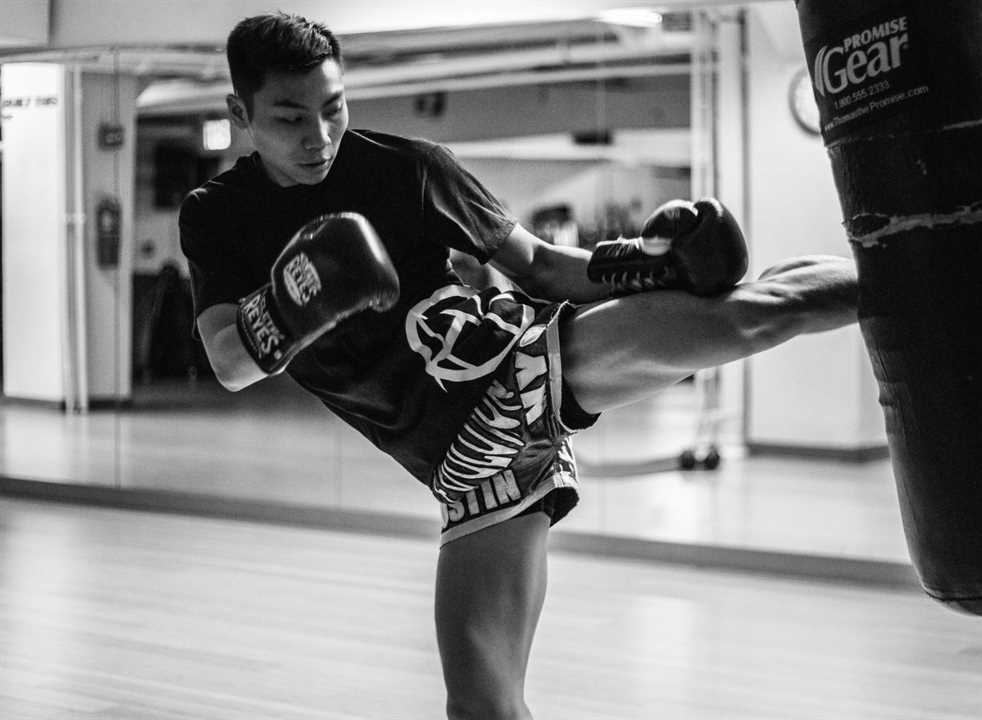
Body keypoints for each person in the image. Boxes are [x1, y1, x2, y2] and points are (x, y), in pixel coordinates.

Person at [181, 12, 860, 720]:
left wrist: (646, 265)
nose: (319, 136)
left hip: (523, 367)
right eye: (290, 118)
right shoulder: (217, 217)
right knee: (482, 706)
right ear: (240, 113)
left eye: (333, 108)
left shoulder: (407, 169)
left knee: (751, 313)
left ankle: (925, 272)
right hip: (467, 468)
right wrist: (291, 303)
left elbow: (537, 264)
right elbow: (229, 362)